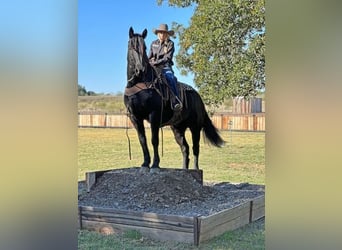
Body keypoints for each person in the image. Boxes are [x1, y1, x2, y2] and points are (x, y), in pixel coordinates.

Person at [148, 23, 182, 111]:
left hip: (165, 67)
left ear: (167, 34)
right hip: (153, 66)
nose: (162, 35)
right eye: (160, 33)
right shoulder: (153, 44)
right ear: (158, 33)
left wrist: (155, 62)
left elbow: (167, 58)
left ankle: (176, 100)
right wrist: (149, 62)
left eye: (164, 33)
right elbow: (149, 56)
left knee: (171, 77)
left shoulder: (170, 44)